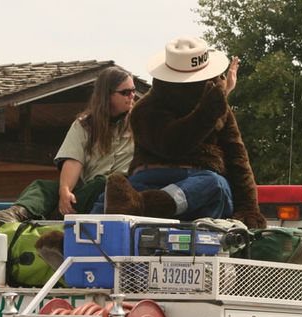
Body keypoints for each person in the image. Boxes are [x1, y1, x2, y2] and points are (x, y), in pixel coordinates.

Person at [103, 37, 267, 229]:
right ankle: (69, 241)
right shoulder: (145, 109)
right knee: (106, 197)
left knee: (214, 185)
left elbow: (237, 157)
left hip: (198, 183)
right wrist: (206, 114)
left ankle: (143, 207)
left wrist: (249, 208)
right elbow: (171, 145)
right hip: (152, 178)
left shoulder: (217, 107)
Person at [0, 66, 135, 229]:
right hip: (86, 190)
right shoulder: (85, 125)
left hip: (117, 193)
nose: (132, 96)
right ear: (107, 95)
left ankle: (51, 215)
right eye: (125, 92)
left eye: (133, 91)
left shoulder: (140, 121)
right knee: (43, 187)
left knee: (103, 183)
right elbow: (73, 160)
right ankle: (13, 215)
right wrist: (64, 191)